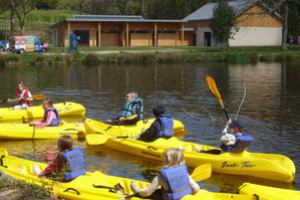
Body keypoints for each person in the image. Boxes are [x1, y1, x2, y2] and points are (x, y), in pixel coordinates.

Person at [130, 148, 200, 200]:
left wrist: (139, 191)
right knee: (158, 191)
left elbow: (147, 193)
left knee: (147, 195)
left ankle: (135, 192)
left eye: (164, 156)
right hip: (183, 198)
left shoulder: (162, 176)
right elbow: (196, 188)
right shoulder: (183, 171)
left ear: (167, 159)